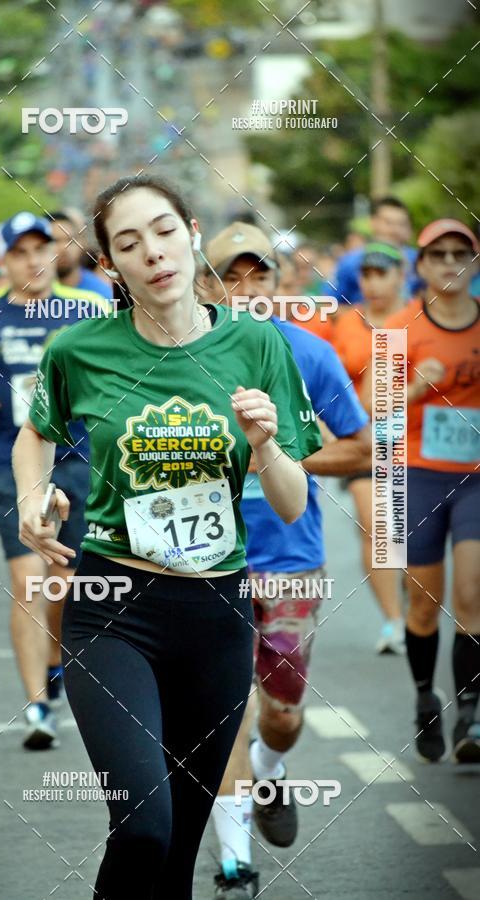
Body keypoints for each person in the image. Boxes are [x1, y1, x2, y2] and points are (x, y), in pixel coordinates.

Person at [12, 174, 323, 899]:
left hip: (215, 614)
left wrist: (267, 445)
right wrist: (34, 495)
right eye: (127, 243)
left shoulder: (256, 346)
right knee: (144, 825)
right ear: (111, 267)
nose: (151, 252)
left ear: (189, 233)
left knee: (179, 851)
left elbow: (290, 500)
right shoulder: (79, 349)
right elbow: (35, 435)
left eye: (161, 230)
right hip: (113, 610)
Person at [203, 224, 370, 897]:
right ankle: (236, 865)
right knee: (223, 714)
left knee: (282, 710)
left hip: (291, 559)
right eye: (230, 278)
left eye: (258, 276)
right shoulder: (180, 357)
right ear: (205, 285)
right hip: (204, 561)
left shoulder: (311, 354)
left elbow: (361, 448)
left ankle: (271, 773)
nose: (245, 291)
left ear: (279, 283)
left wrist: (283, 460)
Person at [0, 211, 111, 750]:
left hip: (84, 462)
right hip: (16, 462)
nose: (35, 260)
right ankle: (37, 707)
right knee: (29, 580)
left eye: (42, 248)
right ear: (3, 260)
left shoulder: (92, 309)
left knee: (66, 583)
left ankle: (55, 659)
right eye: (21, 251)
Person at [381, 219, 480, 764]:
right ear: (420, 266)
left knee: (472, 595)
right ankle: (426, 698)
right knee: (423, 606)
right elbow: (373, 411)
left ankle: (471, 711)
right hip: (413, 473)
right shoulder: (401, 329)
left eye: (459, 254)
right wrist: (417, 385)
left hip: (475, 478)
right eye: (437, 254)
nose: (449, 263)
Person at [333, 243, 407, 653]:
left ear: (400, 275)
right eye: (367, 275)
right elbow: (323, 373)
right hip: (364, 438)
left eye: (383, 273)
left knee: (410, 532)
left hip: (414, 440)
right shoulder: (345, 322)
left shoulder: (421, 317)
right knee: (375, 523)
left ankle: (416, 611)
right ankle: (394, 623)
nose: (374, 283)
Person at [334, 197, 421, 305]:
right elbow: (330, 304)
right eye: (388, 223)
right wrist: (367, 314)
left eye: (401, 224)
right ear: (373, 222)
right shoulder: (350, 261)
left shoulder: (419, 260)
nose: (395, 230)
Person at [47, 209, 113, 299]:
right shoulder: (30, 296)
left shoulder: (101, 296)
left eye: (70, 240)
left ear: (81, 242)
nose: (64, 248)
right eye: (55, 240)